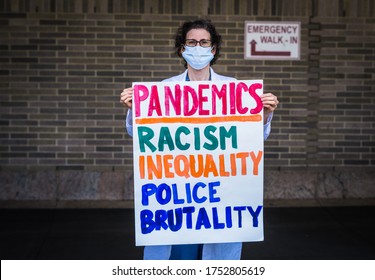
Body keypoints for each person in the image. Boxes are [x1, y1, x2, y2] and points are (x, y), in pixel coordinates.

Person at [120, 19, 279, 260]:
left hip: (219, 195)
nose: (198, 47)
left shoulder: (233, 90)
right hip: (177, 193)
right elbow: (139, 135)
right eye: (191, 42)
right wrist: (135, 109)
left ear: (213, 49)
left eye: (204, 42)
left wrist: (265, 114)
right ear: (182, 49)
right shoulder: (164, 90)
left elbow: (254, 138)